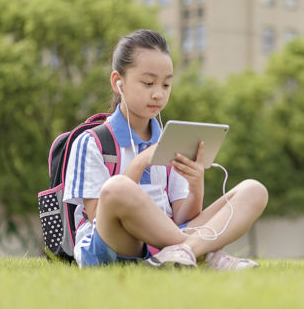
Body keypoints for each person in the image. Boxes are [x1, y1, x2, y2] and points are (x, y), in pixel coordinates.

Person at [63, 29, 268, 269]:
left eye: (166, 84)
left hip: (162, 243)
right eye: (148, 83)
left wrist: (196, 186)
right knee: (117, 188)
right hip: (113, 245)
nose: (158, 94)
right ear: (118, 82)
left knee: (254, 191)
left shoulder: (170, 139)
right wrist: (140, 163)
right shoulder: (92, 142)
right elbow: (99, 215)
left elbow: (181, 218)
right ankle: (204, 253)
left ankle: (185, 251)